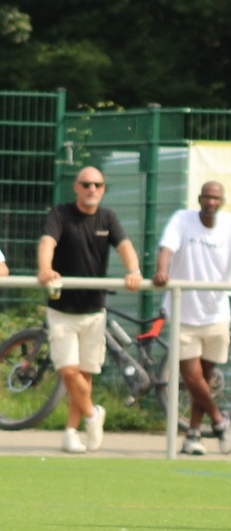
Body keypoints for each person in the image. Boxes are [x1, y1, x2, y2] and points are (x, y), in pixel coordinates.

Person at [153, 181, 231, 455]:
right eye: (207, 197)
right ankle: (220, 421)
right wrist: (162, 271)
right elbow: (166, 249)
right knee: (192, 377)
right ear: (199, 199)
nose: (211, 202)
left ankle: (193, 435)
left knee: (205, 379)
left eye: (216, 198)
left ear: (222, 202)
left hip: (216, 314)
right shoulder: (182, 219)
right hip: (183, 313)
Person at [37, 166, 143, 453]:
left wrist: (134, 271)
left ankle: (71, 433)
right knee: (68, 371)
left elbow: (124, 246)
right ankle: (93, 415)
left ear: (103, 188)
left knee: (84, 374)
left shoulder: (108, 217)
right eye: (86, 184)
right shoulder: (60, 214)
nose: (91, 189)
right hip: (62, 309)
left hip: (94, 310)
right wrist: (45, 268)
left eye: (97, 184)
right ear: (76, 187)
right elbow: (47, 242)